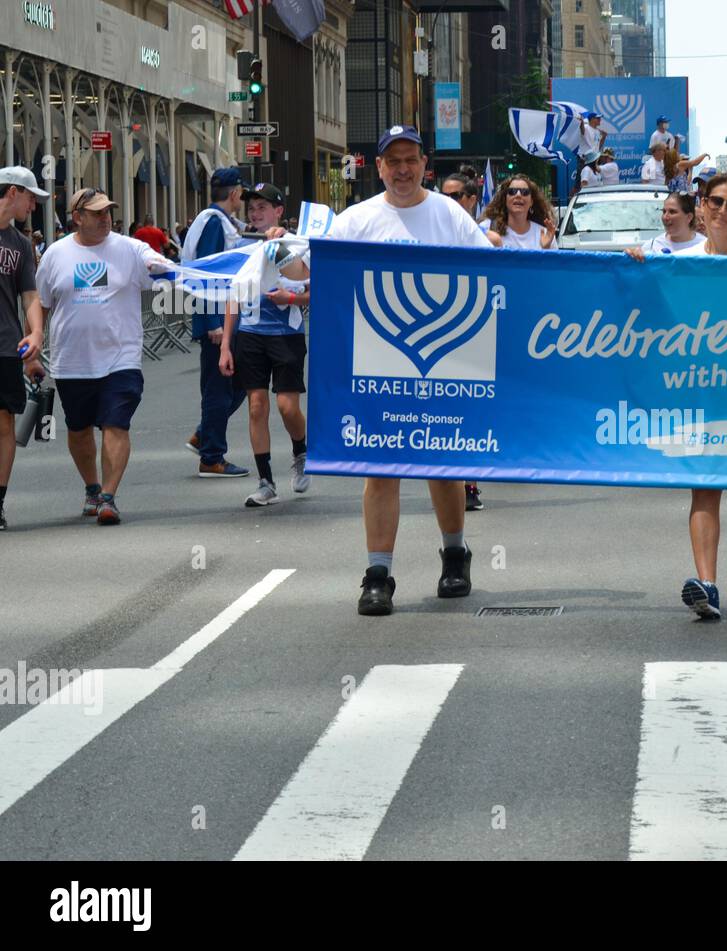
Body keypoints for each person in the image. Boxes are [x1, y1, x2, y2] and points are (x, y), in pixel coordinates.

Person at [323, 125, 494, 615]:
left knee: (443, 465)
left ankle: (455, 554)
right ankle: (378, 574)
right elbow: (316, 269)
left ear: (424, 165)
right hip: (377, 360)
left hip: (447, 357)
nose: (402, 169)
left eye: (410, 160)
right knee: (382, 467)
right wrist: (278, 252)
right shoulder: (355, 220)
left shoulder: (451, 217)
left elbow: (490, 275)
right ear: (378, 167)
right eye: (392, 161)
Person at [632, 172, 727, 620]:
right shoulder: (680, 257)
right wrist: (636, 261)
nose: (722, 211)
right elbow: (647, 297)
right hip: (696, 389)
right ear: (701, 206)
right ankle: (708, 584)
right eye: (715, 202)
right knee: (704, 484)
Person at [27, 187, 171, 525]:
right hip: (72, 360)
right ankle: (92, 487)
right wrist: (32, 348)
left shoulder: (130, 248)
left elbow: (161, 267)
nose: (105, 217)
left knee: (115, 424)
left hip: (121, 357)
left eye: (108, 211)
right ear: (77, 217)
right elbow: (39, 304)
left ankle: (108, 497)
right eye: (96, 213)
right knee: (78, 430)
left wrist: (159, 264)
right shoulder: (56, 255)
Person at [216, 182, 311, 508]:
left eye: (262, 208)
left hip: (286, 335)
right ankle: (266, 481)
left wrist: (291, 297)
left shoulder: (297, 245)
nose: (255, 214)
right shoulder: (242, 247)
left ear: (279, 211)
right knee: (256, 406)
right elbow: (234, 296)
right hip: (251, 335)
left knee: (288, 407)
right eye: (251, 209)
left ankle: (301, 450)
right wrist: (226, 344)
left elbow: (315, 288)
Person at [182, 167, 250, 478]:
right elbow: (207, 274)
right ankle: (211, 455)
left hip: (224, 315)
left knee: (235, 384)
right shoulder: (213, 223)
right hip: (218, 318)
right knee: (219, 389)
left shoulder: (214, 220)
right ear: (235, 193)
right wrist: (213, 322)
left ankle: (205, 434)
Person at [438, 174, 491, 509]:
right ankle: (448, 480)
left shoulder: (485, 235)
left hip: (474, 328)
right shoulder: (431, 229)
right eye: (444, 196)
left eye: (456, 196)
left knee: (468, 412)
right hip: (435, 328)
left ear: (471, 199)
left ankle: (469, 484)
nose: (450, 202)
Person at [0, 167, 48, 531]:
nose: (34, 205)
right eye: (31, 197)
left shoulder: (19, 244)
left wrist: (36, 336)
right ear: (13, 192)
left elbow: (29, 295)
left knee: (5, 424)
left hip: (5, 344)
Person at [482, 176, 556, 250]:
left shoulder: (545, 234)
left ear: (531, 202)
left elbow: (554, 261)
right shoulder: (487, 228)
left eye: (525, 192)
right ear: (505, 199)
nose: (518, 195)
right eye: (512, 191)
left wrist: (546, 249)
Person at [623, 192, 705, 259]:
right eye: (664, 211)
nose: (665, 217)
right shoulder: (652, 246)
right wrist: (631, 256)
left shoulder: (705, 245)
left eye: (672, 212)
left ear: (689, 217)